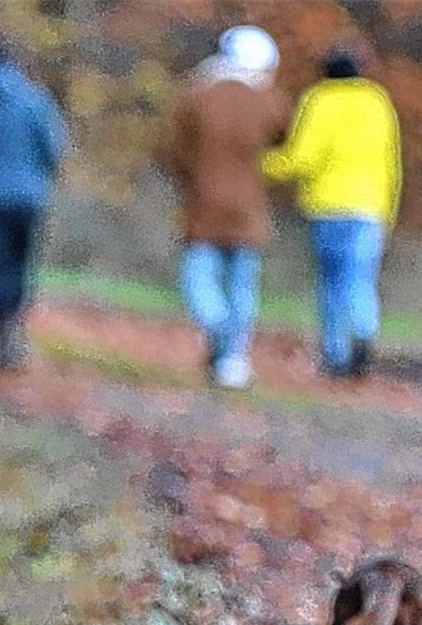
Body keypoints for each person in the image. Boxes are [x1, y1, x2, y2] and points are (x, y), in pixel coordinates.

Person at [159, 25, 290, 389]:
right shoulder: (268, 99)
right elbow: (283, 137)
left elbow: (174, 149)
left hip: (203, 202)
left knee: (198, 278)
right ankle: (234, 359)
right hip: (249, 206)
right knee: (241, 287)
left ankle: (215, 324)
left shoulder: (198, 91)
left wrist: (189, 180)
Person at [263, 48, 402, 377]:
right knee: (361, 276)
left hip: (327, 206)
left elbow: (304, 158)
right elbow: (391, 162)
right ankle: (364, 329)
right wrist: (389, 211)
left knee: (331, 281)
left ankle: (335, 352)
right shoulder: (378, 102)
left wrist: (264, 164)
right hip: (370, 206)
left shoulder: (319, 99)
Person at [0, 40, 70, 370]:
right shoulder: (36, 100)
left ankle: (3, 331)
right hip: (27, 199)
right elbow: (53, 148)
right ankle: (14, 327)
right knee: (21, 266)